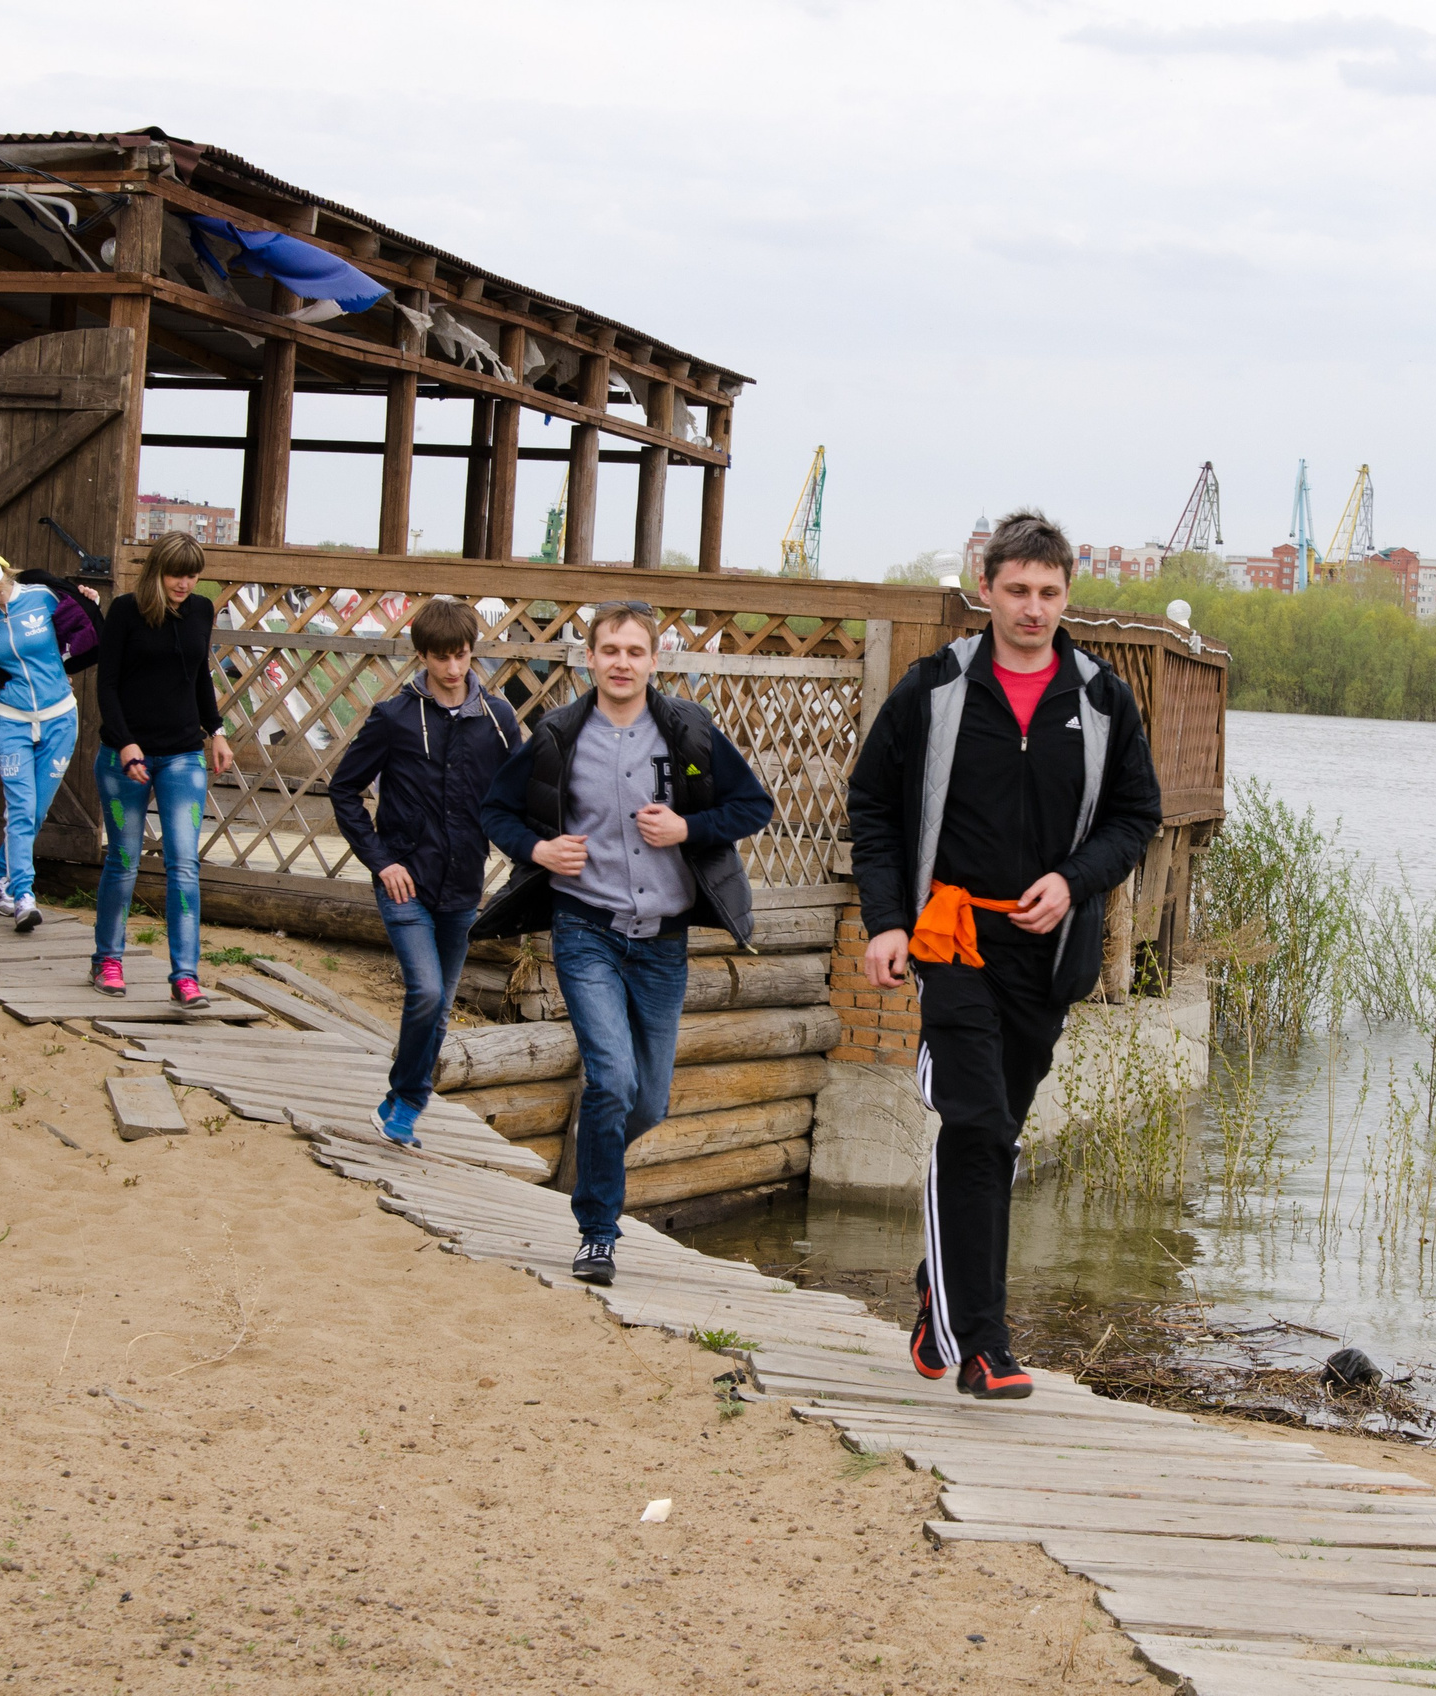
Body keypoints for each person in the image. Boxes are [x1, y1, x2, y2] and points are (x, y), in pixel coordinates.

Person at [847, 509, 1163, 1400]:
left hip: (1049, 951)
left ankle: (935, 1282)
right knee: (976, 1123)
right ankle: (981, 1342)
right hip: (951, 940)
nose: (1032, 608)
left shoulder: (1102, 698)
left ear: (1068, 596)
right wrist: (884, 920)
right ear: (983, 590)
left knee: (999, 1134)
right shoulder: (933, 689)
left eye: (1049, 593)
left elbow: (1135, 817)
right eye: (1016, 590)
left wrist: (1074, 879)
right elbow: (871, 805)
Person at [474, 600, 774, 1283]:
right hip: (586, 931)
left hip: (663, 941)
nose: (622, 663)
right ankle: (597, 1233)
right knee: (609, 1079)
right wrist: (541, 849)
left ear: (653, 660)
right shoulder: (557, 735)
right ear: (590, 658)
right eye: (610, 650)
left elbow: (753, 805)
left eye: (635, 652)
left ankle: (593, 1156)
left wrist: (687, 829)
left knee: (648, 1101)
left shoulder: (688, 733)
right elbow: (497, 809)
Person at [328, 598, 520, 1147]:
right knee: (429, 994)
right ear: (422, 656)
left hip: (464, 885)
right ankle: (409, 1100)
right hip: (404, 881)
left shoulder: (498, 719)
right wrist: (381, 860)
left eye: (461, 656)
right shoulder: (393, 717)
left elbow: (518, 793)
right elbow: (343, 791)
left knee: (438, 1012)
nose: (454, 669)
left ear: (471, 652)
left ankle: (397, 1103)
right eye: (442, 658)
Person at [90, 533, 234, 1006]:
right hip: (123, 756)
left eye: (193, 575)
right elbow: (106, 685)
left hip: (181, 753)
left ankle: (185, 976)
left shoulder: (201, 610)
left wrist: (216, 730)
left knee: (184, 865)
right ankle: (108, 959)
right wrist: (127, 743)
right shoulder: (126, 611)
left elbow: (198, 675)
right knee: (125, 860)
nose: (185, 583)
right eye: (177, 574)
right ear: (156, 571)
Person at [0, 553, 102, 934]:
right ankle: (23, 895)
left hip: (60, 716)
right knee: (21, 807)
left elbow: (79, 629)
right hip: (11, 718)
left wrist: (88, 601)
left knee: (36, 813)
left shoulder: (44, 596)